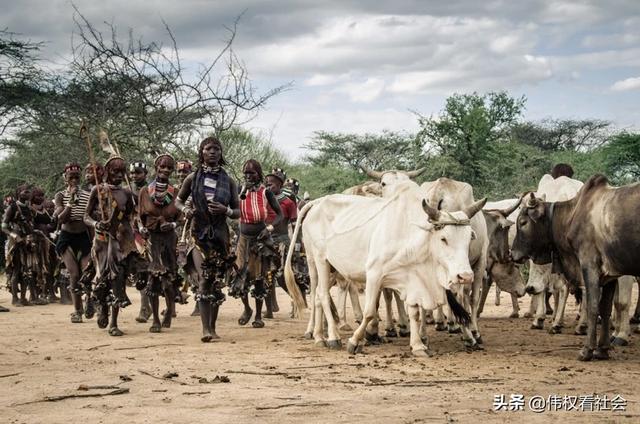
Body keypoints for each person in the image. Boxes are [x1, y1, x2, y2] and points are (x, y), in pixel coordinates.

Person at [175, 137, 240, 342]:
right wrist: (186, 209)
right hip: (197, 233)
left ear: (221, 153)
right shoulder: (192, 178)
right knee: (204, 279)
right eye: (208, 149)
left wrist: (226, 210)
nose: (212, 152)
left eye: (216, 149)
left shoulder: (229, 181)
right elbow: (178, 201)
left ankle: (212, 327)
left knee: (215, 281)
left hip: (220, 236)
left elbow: (238, 212)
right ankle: (205, 329)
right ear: (201, 152)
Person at [84, 156, 140, 336]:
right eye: (114, 171)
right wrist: (96, 224)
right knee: (102, 278)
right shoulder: (98, 190)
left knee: (119, 278)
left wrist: (134, 229)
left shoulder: (127, 193)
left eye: (121, 172)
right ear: (107, 172)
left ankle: (114, 323)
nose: (118, 175)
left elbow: (132, 216)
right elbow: (86, 216)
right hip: (101, 240)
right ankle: (102, 307)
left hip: (121, 241)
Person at [228, 159, 283, 329]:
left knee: (259, 277)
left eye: (252, 173)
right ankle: (247, 309)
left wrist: (269, 228)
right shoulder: (238, 191)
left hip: (260, 239)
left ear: (258, 174)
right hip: (243, 238)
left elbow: (279, 215)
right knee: (240, 275)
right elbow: (231, 211)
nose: (248, 176)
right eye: (246, 173)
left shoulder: (266, 193)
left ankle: (259, 315)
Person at [138, 154, 181, 333]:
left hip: (169, 239)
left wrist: (171, 224)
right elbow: (139, 217)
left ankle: (170, 310)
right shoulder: (144, 192)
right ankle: (155, 318)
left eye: (169, 168)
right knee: (153, 279)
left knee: (169, 279)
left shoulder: (176, 192)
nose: (165, 171)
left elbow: (180, 218)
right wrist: (142, 229)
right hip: (152, 239)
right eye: (162, 167)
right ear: (156, 168)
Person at [54, 162, 93, 322]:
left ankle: (90, 300)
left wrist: (94, 241)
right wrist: (70, 202)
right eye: (71, 177)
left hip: (84, 237)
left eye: (77, 177)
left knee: (88, 273)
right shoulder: (60, 196)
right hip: (67, 238)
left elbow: (89, 219)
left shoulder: (88, 195)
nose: (74, 180)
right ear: (65, 178)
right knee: (74, 274)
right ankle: (77, 310)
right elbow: (61, 218)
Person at [263, 168, 297, 318]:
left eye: (272, 184)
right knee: (266, 274)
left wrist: (297, 243)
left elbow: (295, 225)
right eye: (267, 184)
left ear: (279, 185)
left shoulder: (288, 202)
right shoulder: (262, 200)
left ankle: (296, 299)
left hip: (282, 241)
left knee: (282, 275)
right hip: (266, 241)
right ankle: (270, 309)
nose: (269, 186)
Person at [129, 161, 153, 323]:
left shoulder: (151, 189)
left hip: (151, 233)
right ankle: (145, 307)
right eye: (132, 173)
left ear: (145, 174)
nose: (134, 176)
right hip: (133, 234)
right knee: (141, 272)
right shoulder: (127, 189)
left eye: (137, 173)